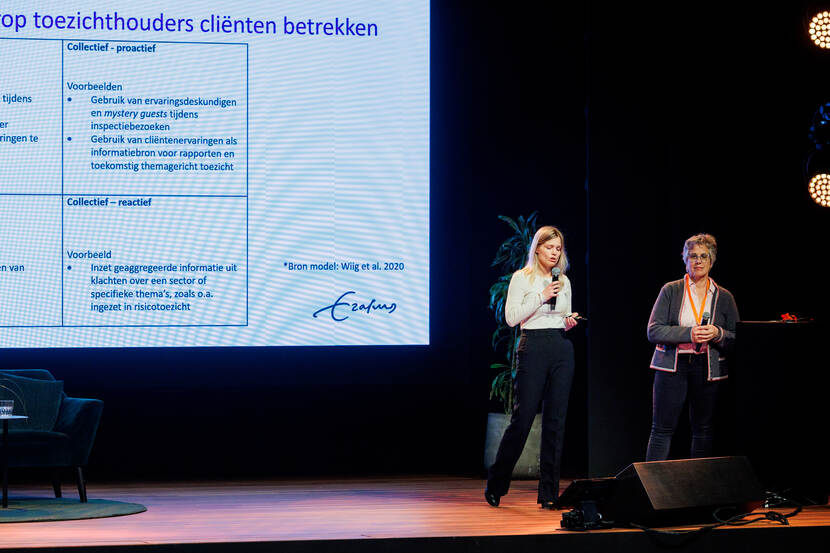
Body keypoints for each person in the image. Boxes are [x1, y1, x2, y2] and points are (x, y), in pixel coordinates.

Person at [485, 226, 579, 509]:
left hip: (560, 346)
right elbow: (512, 318)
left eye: (558, 249)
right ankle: (497, 483)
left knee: (556, 421)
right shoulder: (521, 278)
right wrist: (541, 294)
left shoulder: (564, 280)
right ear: (537, 248)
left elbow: (562, 315)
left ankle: (549, 493)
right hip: (533, 345)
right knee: (523, 419)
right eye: (549, 247)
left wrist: (569, 320)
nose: (554, 253)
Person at [645, 233, 738, 461]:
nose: (698, 261)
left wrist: (718, 333)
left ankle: (700, 492)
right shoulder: (671, 290)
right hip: (672, 366)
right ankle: (649, 491)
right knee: (661, 430)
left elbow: (737, 338)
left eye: (703, 256)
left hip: (706, 368)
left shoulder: (724, 296)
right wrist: (689, 333)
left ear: (711, 261)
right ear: (685, 259)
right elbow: (653, 330)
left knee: (703, 431)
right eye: (693, 256)